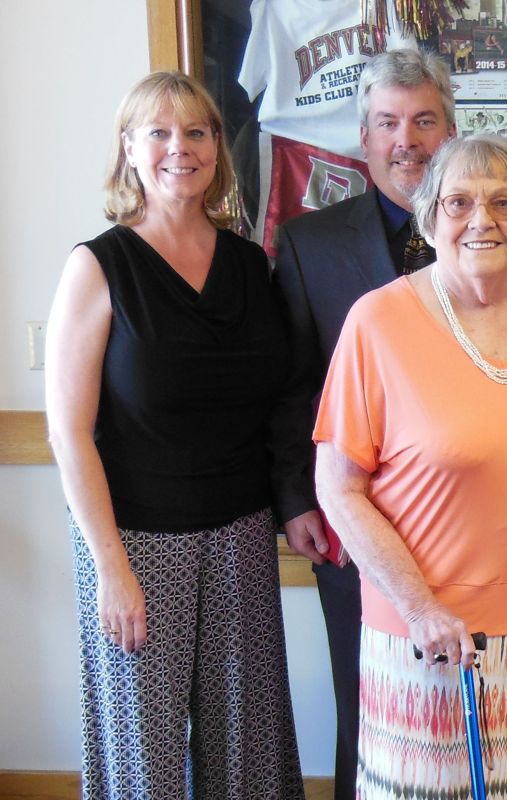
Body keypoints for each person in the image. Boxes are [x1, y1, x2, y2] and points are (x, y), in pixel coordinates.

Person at [272, 45, 507, 800]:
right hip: (351, 520)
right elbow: (291, 382)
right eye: (388, 123)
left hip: (477, 532)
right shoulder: (309, 243)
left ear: (450, 130)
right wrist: (297, 497)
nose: (407, 141)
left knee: (485, 726)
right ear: (362, 139)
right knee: (367, 708)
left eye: (425, 121)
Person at [312, 133, 507, 799]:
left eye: (504, 203)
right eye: (458, 202)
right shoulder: (378, 322)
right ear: (428, 220)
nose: (482, 220)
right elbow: (337, 490)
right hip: (427, 634)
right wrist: (419, 608)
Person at [43, 72, 304, 799]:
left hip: (242, 533)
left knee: (246, 752)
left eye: (196, 132)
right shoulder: (98, 266)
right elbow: (68, 433)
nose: (178, 148)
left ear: (219, 149)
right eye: (157, 131)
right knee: (143, 754)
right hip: (137, 540)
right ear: (128, 147)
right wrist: (111, 569)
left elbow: (281, 398)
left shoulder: (253, 265)